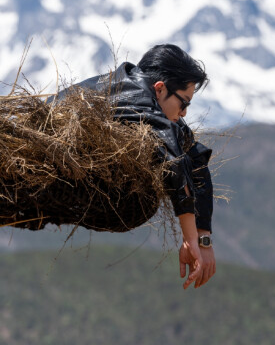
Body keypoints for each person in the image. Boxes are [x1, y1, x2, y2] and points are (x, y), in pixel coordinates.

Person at [63, 43, 215, 290]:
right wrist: (189, 241)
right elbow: (175, 161)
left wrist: (203, 239)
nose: (185, 113)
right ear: (160, 89)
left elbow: (195, 158)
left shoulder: (151, 103)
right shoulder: (133, 94)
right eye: (183, 103)